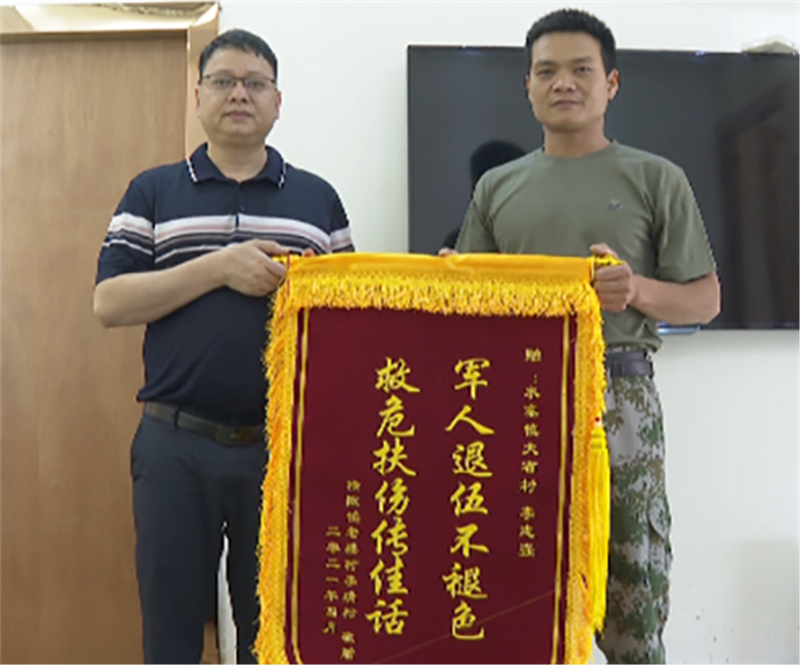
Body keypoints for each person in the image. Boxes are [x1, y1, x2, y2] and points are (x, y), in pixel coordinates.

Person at [450, 9, 720, 664]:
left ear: (612, 83)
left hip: (617, 397)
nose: (563, 83)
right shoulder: (496, 187)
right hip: (513, 400)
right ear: (528, 86)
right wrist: (451, 281)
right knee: (514, 583)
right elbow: (470, 305)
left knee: (630, 589)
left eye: (580, 70)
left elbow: (705, 299)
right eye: (546, 71)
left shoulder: (656, 178)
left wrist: (637, 290)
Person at [93, 29, 354, 664]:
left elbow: (348, 318)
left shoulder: (318, 200)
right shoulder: (153, 191)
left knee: (276, 635)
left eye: (255, 83)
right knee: (172, 632)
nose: (239, 94)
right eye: (223, 81)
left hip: (283, 447)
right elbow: (110, 303)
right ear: (199, 97)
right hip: (174, 444)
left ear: (277, 101)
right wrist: (218, 267)